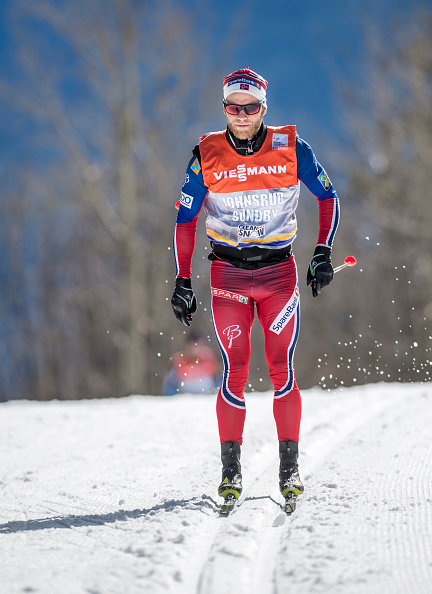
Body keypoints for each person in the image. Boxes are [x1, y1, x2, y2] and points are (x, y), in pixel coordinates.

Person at [170, 68, 340, 506]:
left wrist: (323, 251)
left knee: (282, 368)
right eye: (233, 107)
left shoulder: (291, 148)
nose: (242, 115)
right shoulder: (205, 154)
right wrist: (183, 279)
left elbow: (328, 197)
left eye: (251, 108)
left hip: (278, 274)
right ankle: (231, 474)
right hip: (228, 276)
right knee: (235, 372)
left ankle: (289, 469)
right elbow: (185, 220)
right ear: (223, 108)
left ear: (264, 108)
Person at [162, 331, 219, 395]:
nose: (196, 348)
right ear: (188, 345)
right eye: (194, 344)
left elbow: (218, 379)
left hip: (207, 395)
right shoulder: (179, 360)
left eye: (199, 344)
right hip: (185, 397)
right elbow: (170, 385)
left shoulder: (209, 358)